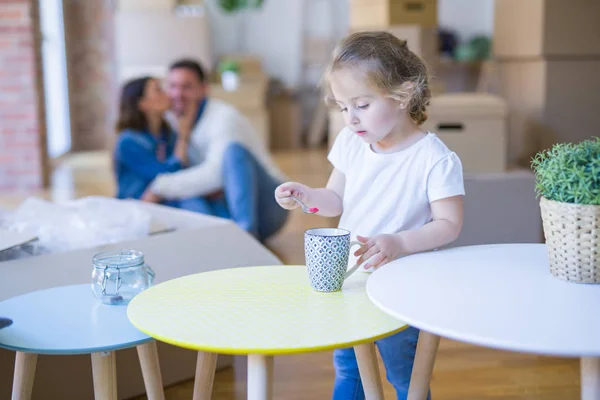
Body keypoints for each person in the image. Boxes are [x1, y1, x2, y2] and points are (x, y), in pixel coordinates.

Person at [274, 31, 465, 399]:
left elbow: (450, 225)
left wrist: (400, 242)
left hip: (403, 286)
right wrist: (307, 197)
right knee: (349, 370)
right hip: (351, 281)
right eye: (343, 107)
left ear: (403, 95)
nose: (350, 119)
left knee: (405, 375)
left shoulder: (434, 159)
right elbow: (335, 200)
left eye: (361, 104)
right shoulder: (352, 143)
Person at [141, 59, 288, 242]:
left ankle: (245, 239)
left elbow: (216, 174)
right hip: (224, 204)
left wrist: (159, 187)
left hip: (270, 204)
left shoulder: (223, 117)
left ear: (203, 89)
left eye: (187, 87)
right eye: (172, 86)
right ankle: (215, 241)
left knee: (233, 152)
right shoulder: (173, 121)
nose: (178, 93)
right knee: (186, 197)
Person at [113, 76, 210, 213]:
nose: (167, 94)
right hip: (137, 209)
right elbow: (168, 175)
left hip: (164, 201)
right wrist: (183, 137)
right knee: (193, 202)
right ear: (143, 104)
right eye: (158, 90)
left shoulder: (167, 134)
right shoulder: (128, 142)